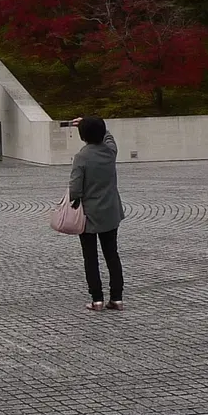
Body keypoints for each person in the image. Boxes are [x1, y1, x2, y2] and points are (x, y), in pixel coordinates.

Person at [67, 115, 125, 311]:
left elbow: (75, 189)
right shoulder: (110, 152)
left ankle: (97, 299)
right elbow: (109, 138)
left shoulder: (82, 157)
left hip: (89, 215)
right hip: (111, 211)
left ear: (83, 136)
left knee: (90, 258)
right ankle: (117, 298)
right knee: (112, 255)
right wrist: (92, 124)